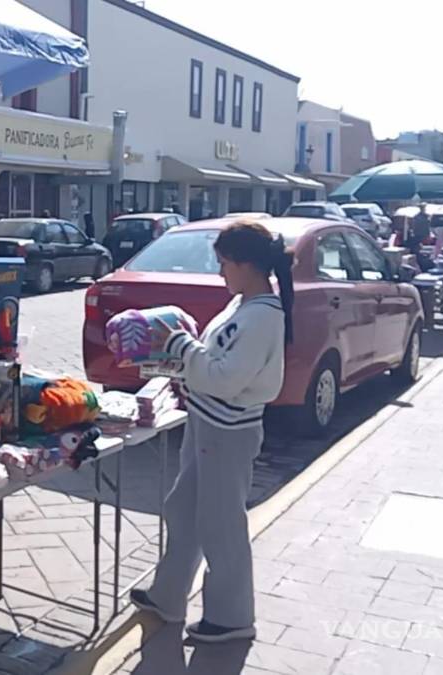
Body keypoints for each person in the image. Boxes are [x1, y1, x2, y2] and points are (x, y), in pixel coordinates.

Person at [130, 220, 292, 644]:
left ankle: (232, 617)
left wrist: (181, 346)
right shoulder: (243, 304)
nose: (220, 273)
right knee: (184, 510)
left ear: (246, 264)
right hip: (208, 423)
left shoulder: (262, 316)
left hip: (228, 430)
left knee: (221, 524)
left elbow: (225, 378)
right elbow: (212, 359)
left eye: (224, 264)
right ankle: (168, 595)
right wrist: (182, 361)